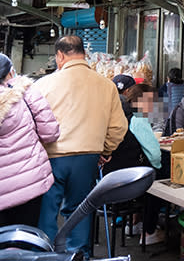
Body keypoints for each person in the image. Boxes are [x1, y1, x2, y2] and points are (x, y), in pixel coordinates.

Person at [36, 36, 128, 257]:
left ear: (60, 56)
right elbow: (118, 127)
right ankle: (78, 255)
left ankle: (47, 255)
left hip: (51, 156)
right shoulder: (106, 85)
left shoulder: (44, 84)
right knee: (80, 210)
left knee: (47, 211)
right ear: (83, 54)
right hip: (88, 157)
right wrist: (105, 150)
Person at [0, 53, 60, 227]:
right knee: (25, 236)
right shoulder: (26, 93)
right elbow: (50, 133)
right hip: (28, 181)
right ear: (10, 73)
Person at [111, 83, 165, 245]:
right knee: (159, 183)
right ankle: (149, 232)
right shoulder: (139, 119)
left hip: (114, 178)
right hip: (130, 182)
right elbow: (155, 155)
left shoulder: (120, 115)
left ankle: (134, 223)